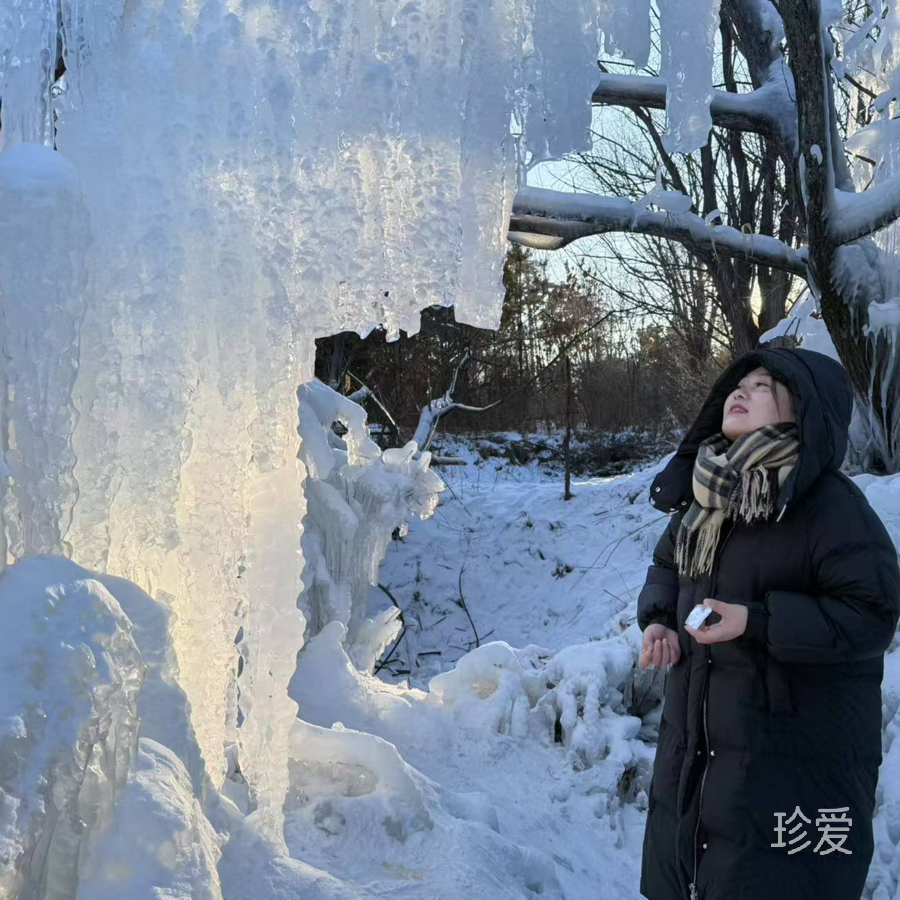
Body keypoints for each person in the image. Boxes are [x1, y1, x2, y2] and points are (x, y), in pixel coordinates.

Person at [636, 346, 900, 900]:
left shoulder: (829, 507)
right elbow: (668, 564)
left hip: (788, 762)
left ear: (803, 411)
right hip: (696, 753)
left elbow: (872, 613)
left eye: (762, 386)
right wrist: (659, 620)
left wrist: (758, 621)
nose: (741, 391)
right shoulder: (705, 498)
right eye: (738, 384)